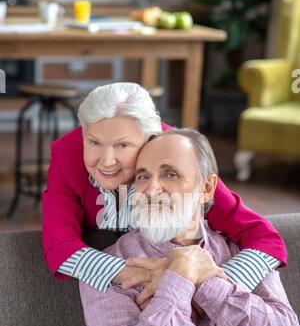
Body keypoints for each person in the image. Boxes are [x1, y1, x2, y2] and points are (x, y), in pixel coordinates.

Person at [79, 128, 300, 326]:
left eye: (170, 174)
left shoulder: (246, 251)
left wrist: (207, 280)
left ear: (206, 187)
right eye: (142, 176)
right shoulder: (110, 268)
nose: (152, 189)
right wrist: (180, 278)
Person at [42, 82, 286, 303]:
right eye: (93, 142)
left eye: (123, 145)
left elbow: (264, 238)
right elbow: (60, 244)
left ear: (151, 139)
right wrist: (148, 275)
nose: (106, 161)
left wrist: (210, 283)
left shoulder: (180, 156)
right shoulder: (65, 155)